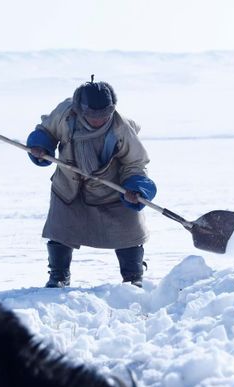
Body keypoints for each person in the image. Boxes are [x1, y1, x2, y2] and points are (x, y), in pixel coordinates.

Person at [26, 77, 157, 288]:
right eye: (93, 115)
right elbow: (46, 131)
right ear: (80, 109)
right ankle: (58, 277)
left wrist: (136, 187)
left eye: (105, 114)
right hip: (68, 187)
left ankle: (134, 279)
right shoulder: (65, 114)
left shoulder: (120, 127)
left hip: (111, 190)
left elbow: (135, 162)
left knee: (129, 233)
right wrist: (41, 145)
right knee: (61, 231)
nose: (100, 120)